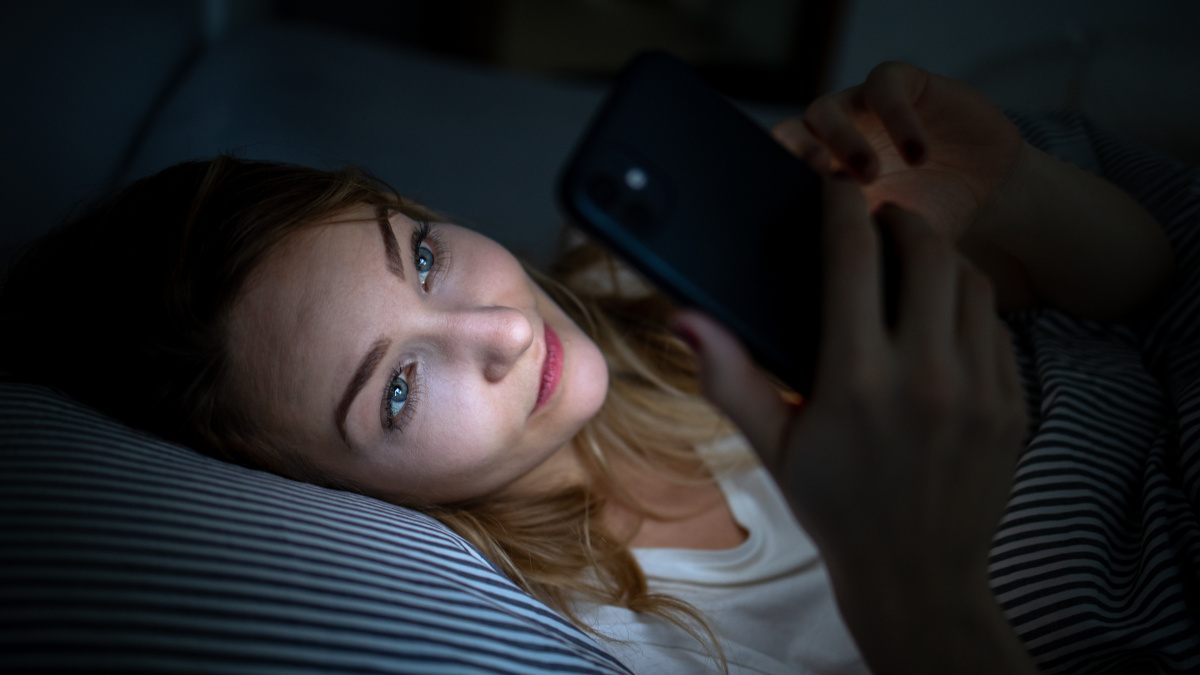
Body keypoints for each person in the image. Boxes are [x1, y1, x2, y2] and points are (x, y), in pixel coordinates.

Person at [0, 61, 1186, 674]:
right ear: (308, 488)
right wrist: (919, 593)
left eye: (419, 253)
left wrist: (1008, 186)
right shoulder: (596, 641)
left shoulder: (631, 289)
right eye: (399, 389)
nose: (507, 332)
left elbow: (1137, 296)